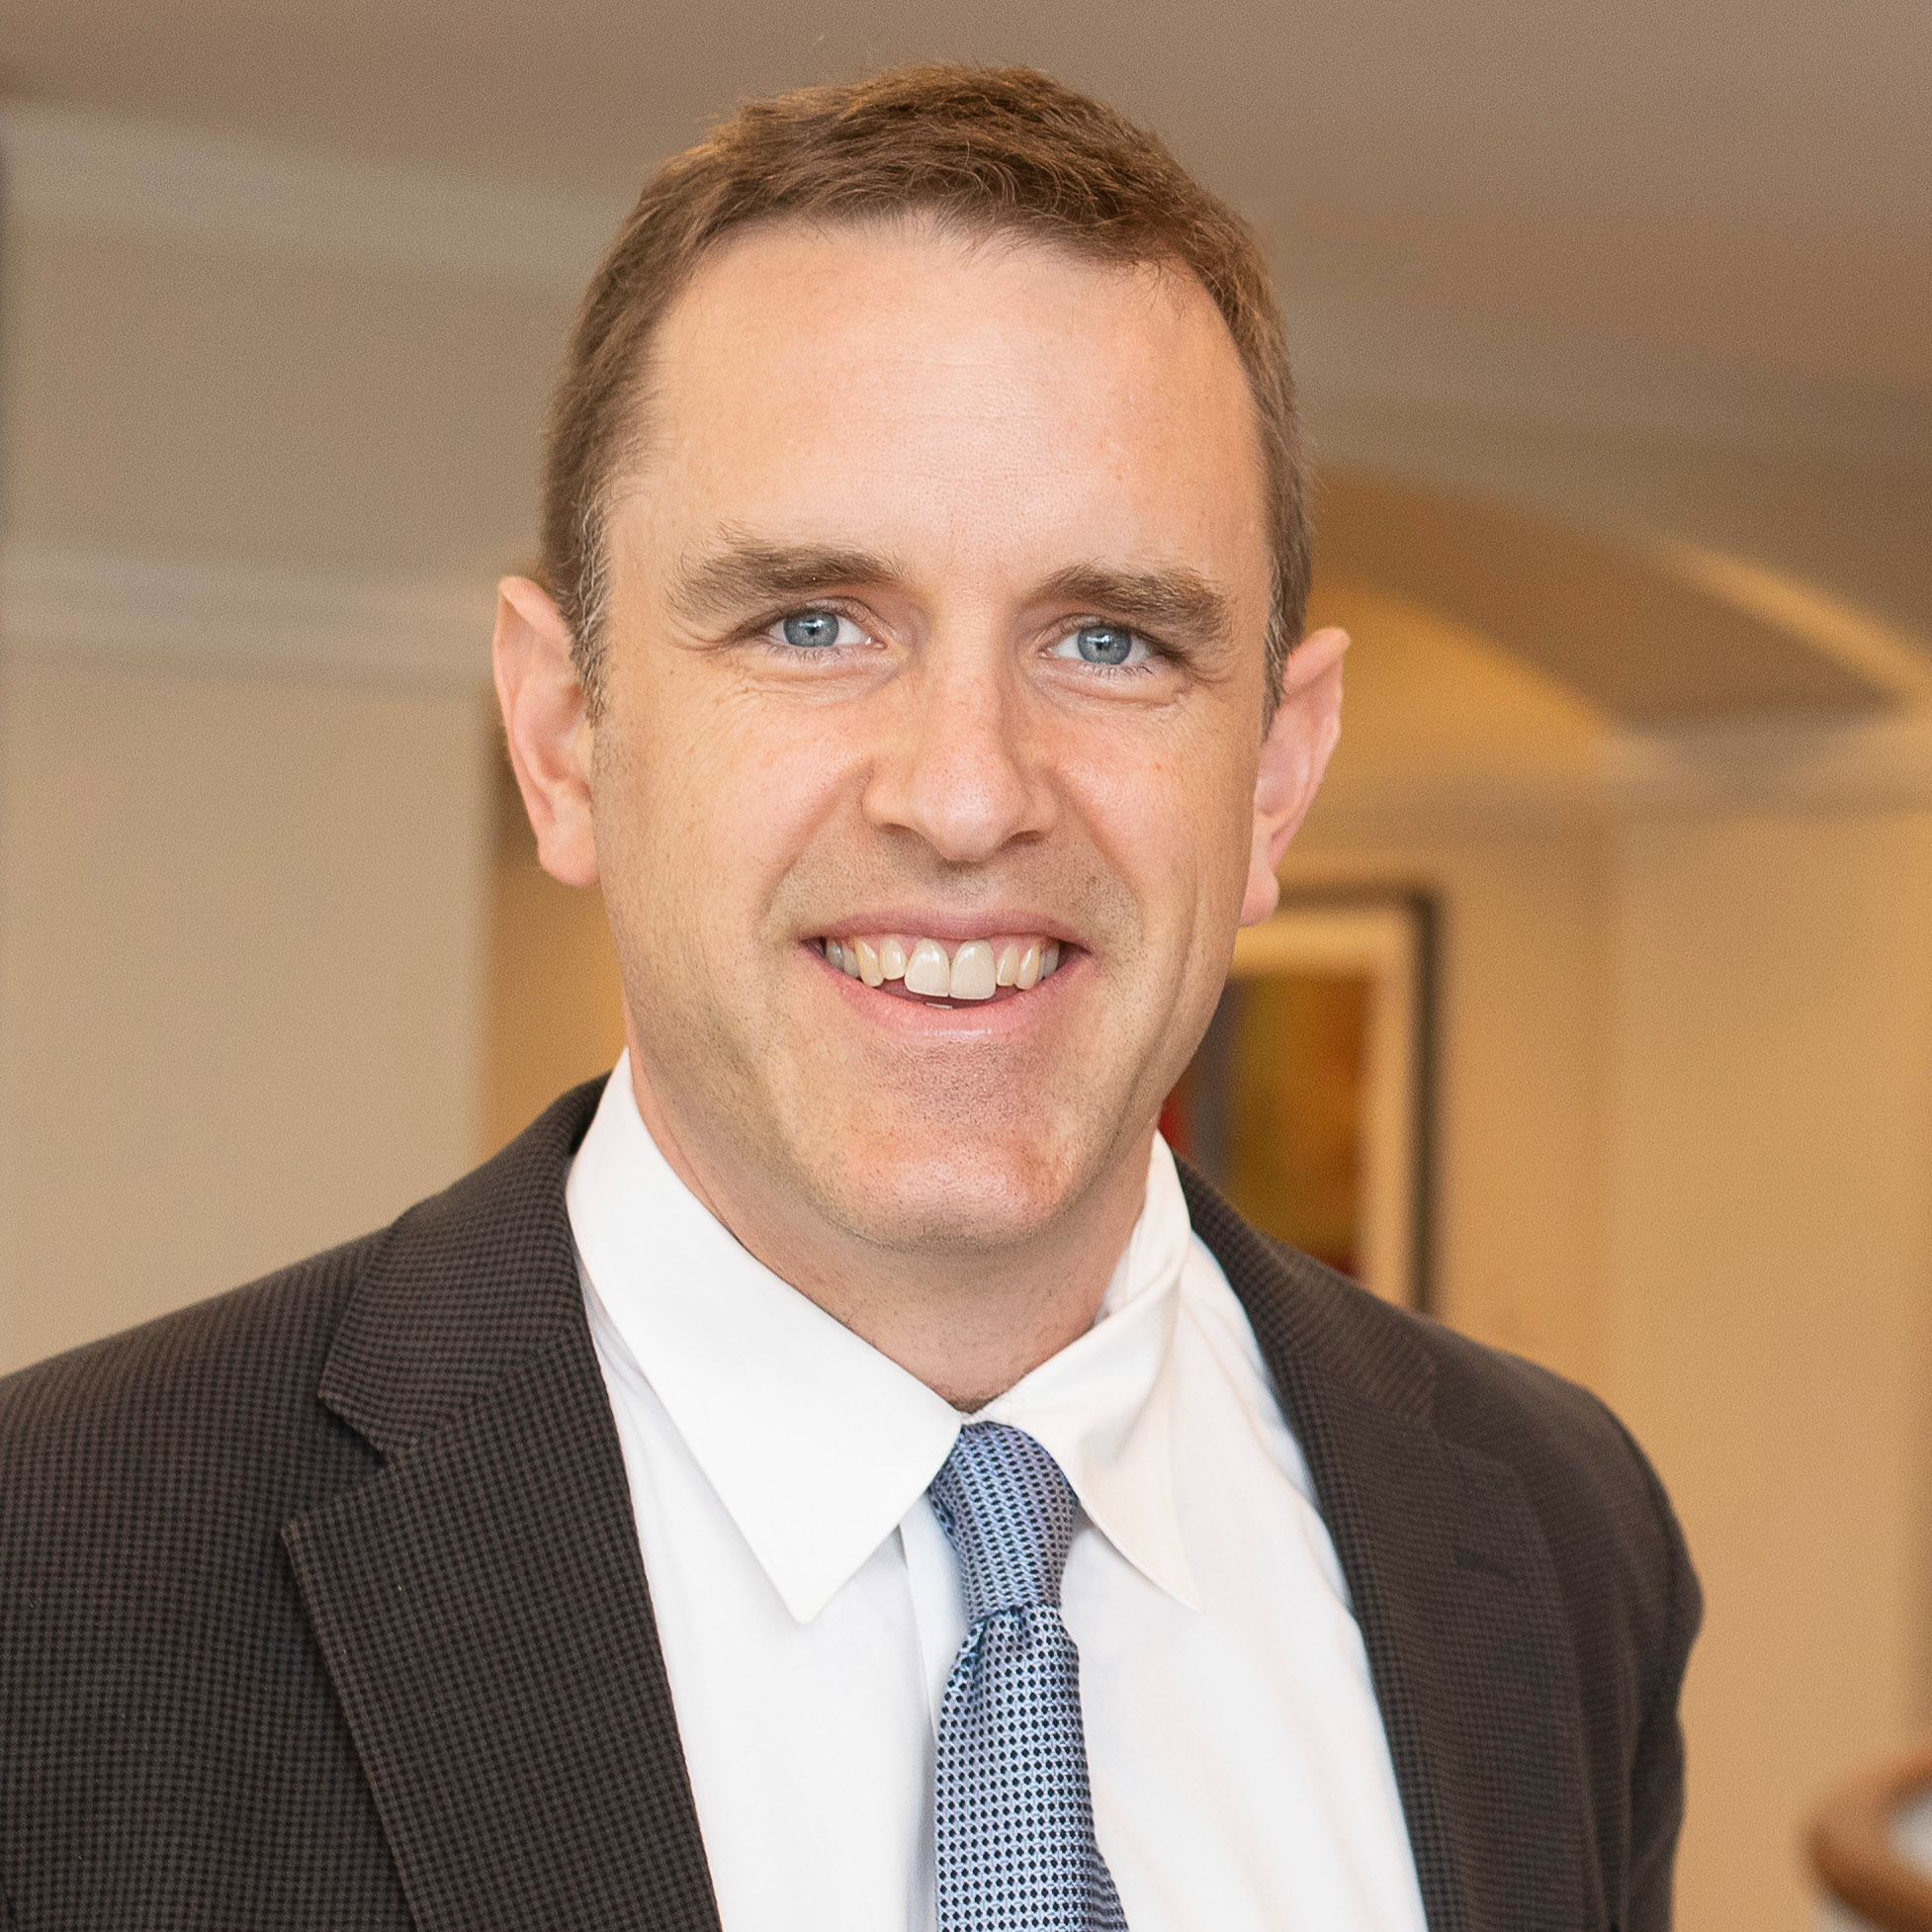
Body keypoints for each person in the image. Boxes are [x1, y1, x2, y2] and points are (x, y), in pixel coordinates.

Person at [0, 64, 1697, 1932]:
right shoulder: (56, 1582)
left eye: (1110, 638)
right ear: (563, 738)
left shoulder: (1553, 1533)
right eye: (810, 622)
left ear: (1277, 776)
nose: (965, 793)